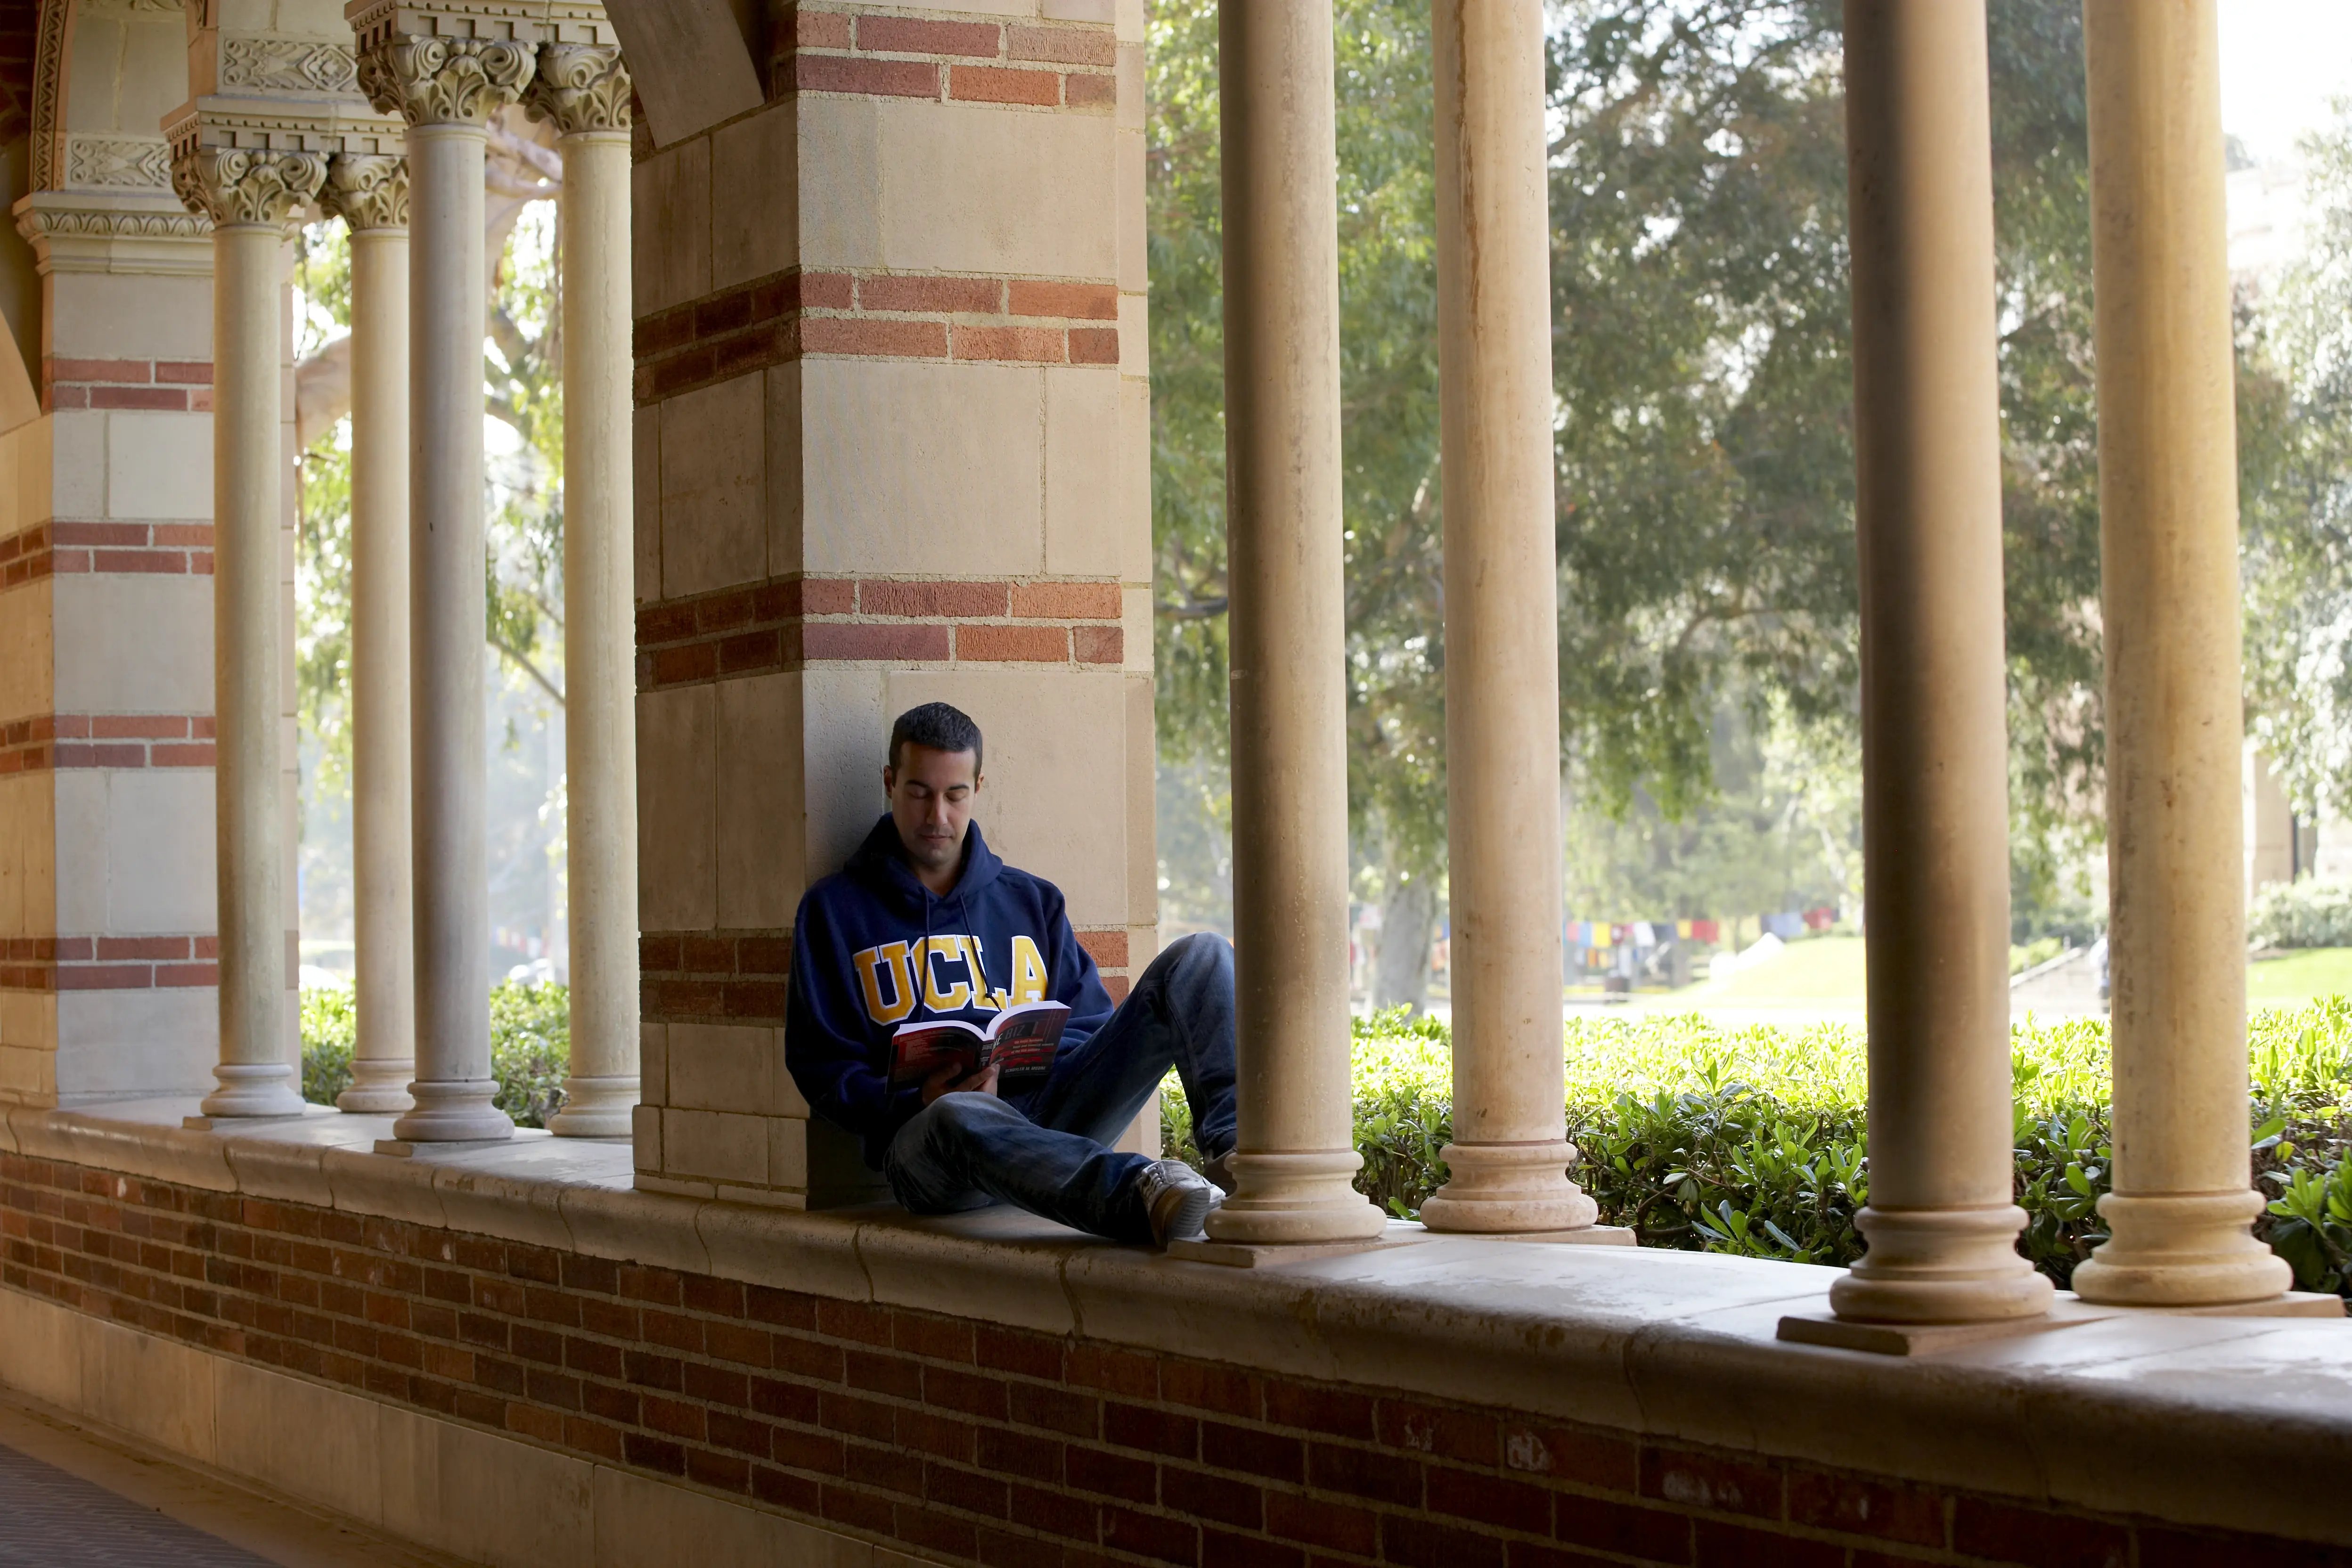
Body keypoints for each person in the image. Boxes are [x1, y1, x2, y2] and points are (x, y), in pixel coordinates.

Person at [785, 702, 1238, 1248]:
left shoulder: (1032, 901)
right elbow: (821, 1067)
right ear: (890, 782)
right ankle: (1139, 1193)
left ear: (978, 786)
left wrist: (1019, 1062)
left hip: (1049, 1115)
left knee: (1202, 956)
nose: (938, 817)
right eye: (919, 792)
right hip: (928, 1148)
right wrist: (916, 1097)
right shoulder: (834, 911)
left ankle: (1240, 1159)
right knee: (958, 1112)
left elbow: (1089, 1023)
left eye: (955, 795)